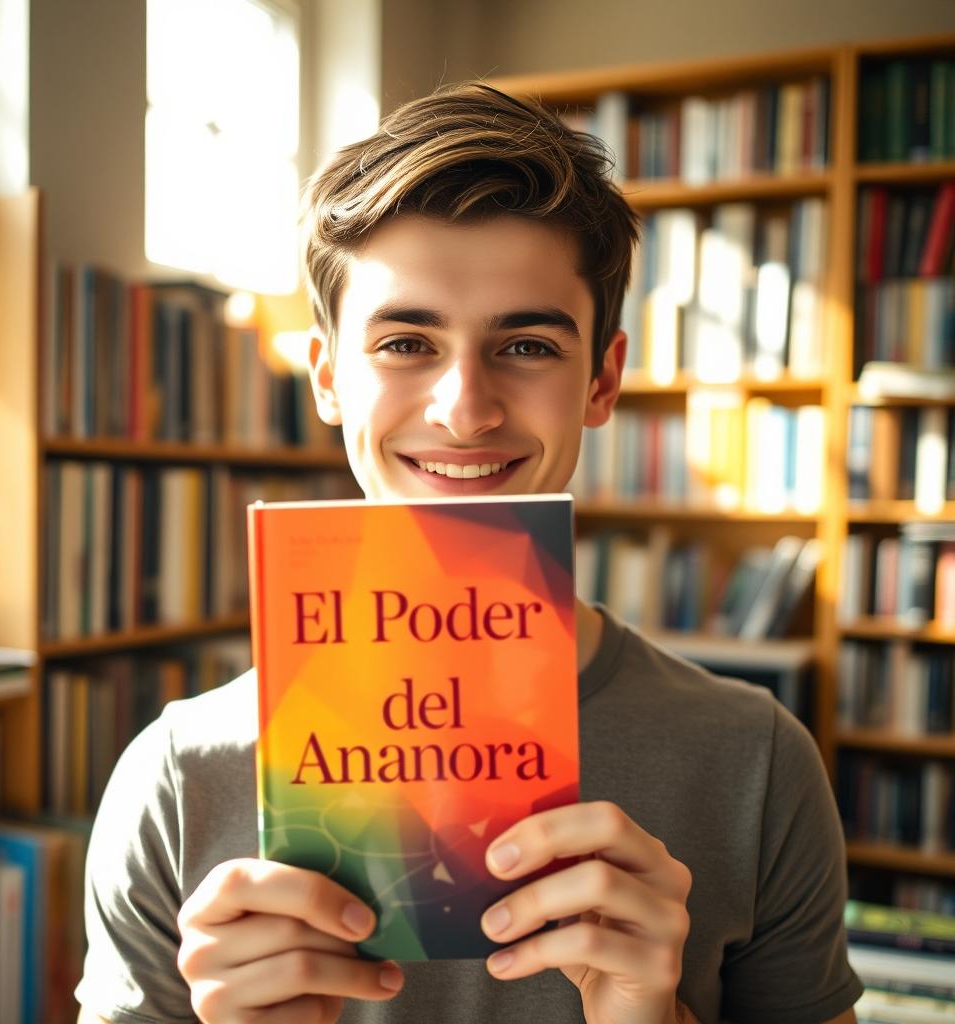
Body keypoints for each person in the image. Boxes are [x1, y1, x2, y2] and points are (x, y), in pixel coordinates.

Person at [75, 83, 863, 1024]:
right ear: (327, 379)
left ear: (602, 380)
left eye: (526, 344)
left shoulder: (756, 761)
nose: (465, 408)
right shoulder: (179, 776)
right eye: (407, 341)